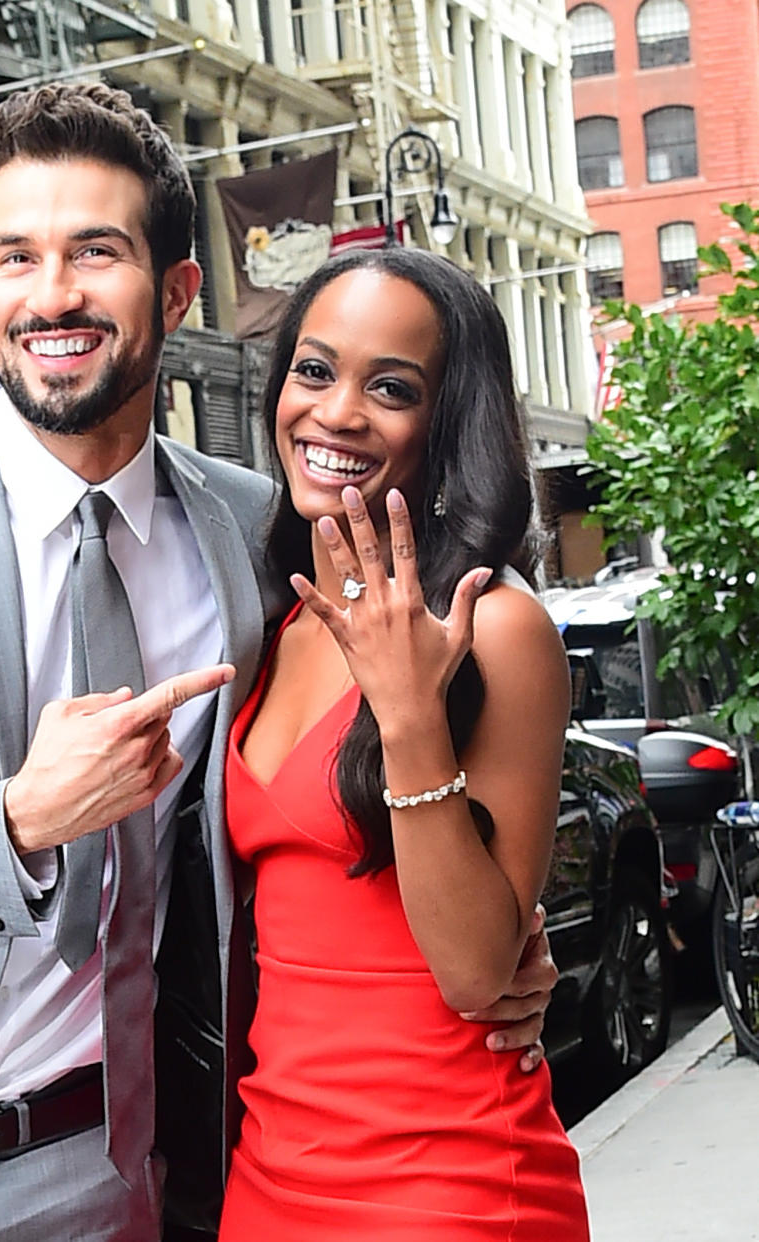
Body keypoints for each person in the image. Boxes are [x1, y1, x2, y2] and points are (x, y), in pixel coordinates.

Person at [0, 85, 555, 1242]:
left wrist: (503, 937)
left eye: (95, 252)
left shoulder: (252, 535)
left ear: (179, 289)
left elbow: (319, 832)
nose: (51, 297)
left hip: (101, 1173)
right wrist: (23, 818)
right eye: (13, 257)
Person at [217, 246, 590, 1240]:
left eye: (390, 387)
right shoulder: (274, 620)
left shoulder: (495, 629)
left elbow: (476, 969)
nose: (335, 412)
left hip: (448, 1182)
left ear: (445, 422)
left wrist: (409, 712)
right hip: (271, 1176)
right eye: (313, 368)